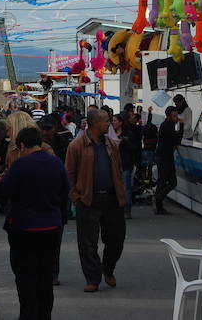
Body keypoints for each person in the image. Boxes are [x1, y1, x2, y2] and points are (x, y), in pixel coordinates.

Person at [0, 127, 70, 320]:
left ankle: (28, 315)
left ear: (22, 145)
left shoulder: (21, 165)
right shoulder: (55, 163)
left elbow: (5, 190)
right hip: (51, 227)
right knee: (45, 277)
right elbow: (65, 191)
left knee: (26, 277)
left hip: (25, 228)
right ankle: (45, 314)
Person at [65, 108, 126, 293]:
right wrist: (76, 196)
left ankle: (108, 268)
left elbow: (118, 169)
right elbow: (68, 174)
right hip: (88, 199)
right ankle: (93, 277)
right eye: (106, 121)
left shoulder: (110, 144)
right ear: (95, 124)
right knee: (87, 243)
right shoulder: (76, 145)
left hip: (111, 198)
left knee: (116, 238)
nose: (109, 124)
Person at [154, 106, 185, 215]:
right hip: (165, 157)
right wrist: (181, 126)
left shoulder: (166, 125)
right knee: (171, 182)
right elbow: (177, 140)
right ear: (168, 116)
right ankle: (158, 199)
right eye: (174, 116)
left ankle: (158, 202)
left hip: (163, 156)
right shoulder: (167, 127)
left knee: (163, 181)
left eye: (177, 116)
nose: (176, 118)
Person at [118, 109, 142, 220]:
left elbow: (135, 146)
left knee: (126, 186)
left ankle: (126, 209)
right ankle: (123, 208)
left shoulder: (128, 133)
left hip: (125, 162)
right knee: (125, 186)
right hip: (123, 162)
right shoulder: (117, 132)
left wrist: (124, 143)